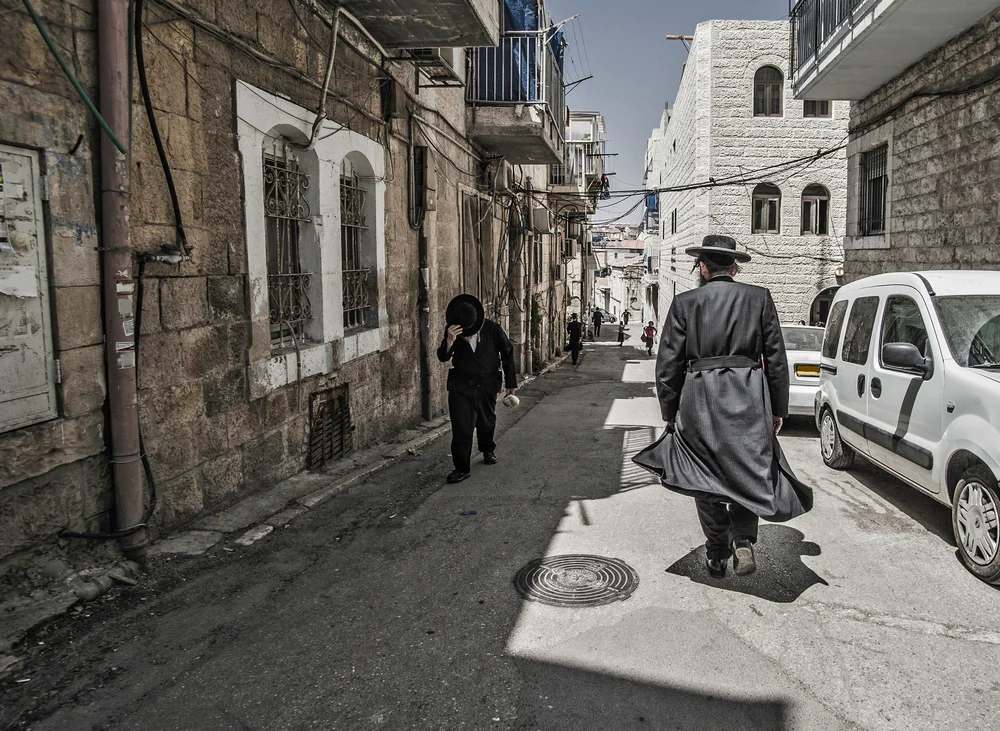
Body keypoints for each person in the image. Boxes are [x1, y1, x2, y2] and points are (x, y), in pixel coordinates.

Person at [632, 235, 812, 579]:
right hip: (749, 398)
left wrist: (669, 414)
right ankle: (742, 539)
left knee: (704, 474)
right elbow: (776, 359)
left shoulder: (685, 303)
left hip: (700, 402)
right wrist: (778, 409)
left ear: (702, 266)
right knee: (750, 471)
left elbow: (668, 364)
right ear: (734, 267)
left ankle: (716, 551)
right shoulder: (759, 298)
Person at [437, 294, 517, 484]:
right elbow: (443, 357)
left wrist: (511, 383)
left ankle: (488, 449)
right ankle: (461, 468)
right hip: (461, 386)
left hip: (488, 384)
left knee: (486, 421)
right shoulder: (453, 331)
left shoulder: (492, 328)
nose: (469, 334)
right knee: (462, 427)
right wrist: (449, 340)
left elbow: (507, 353)